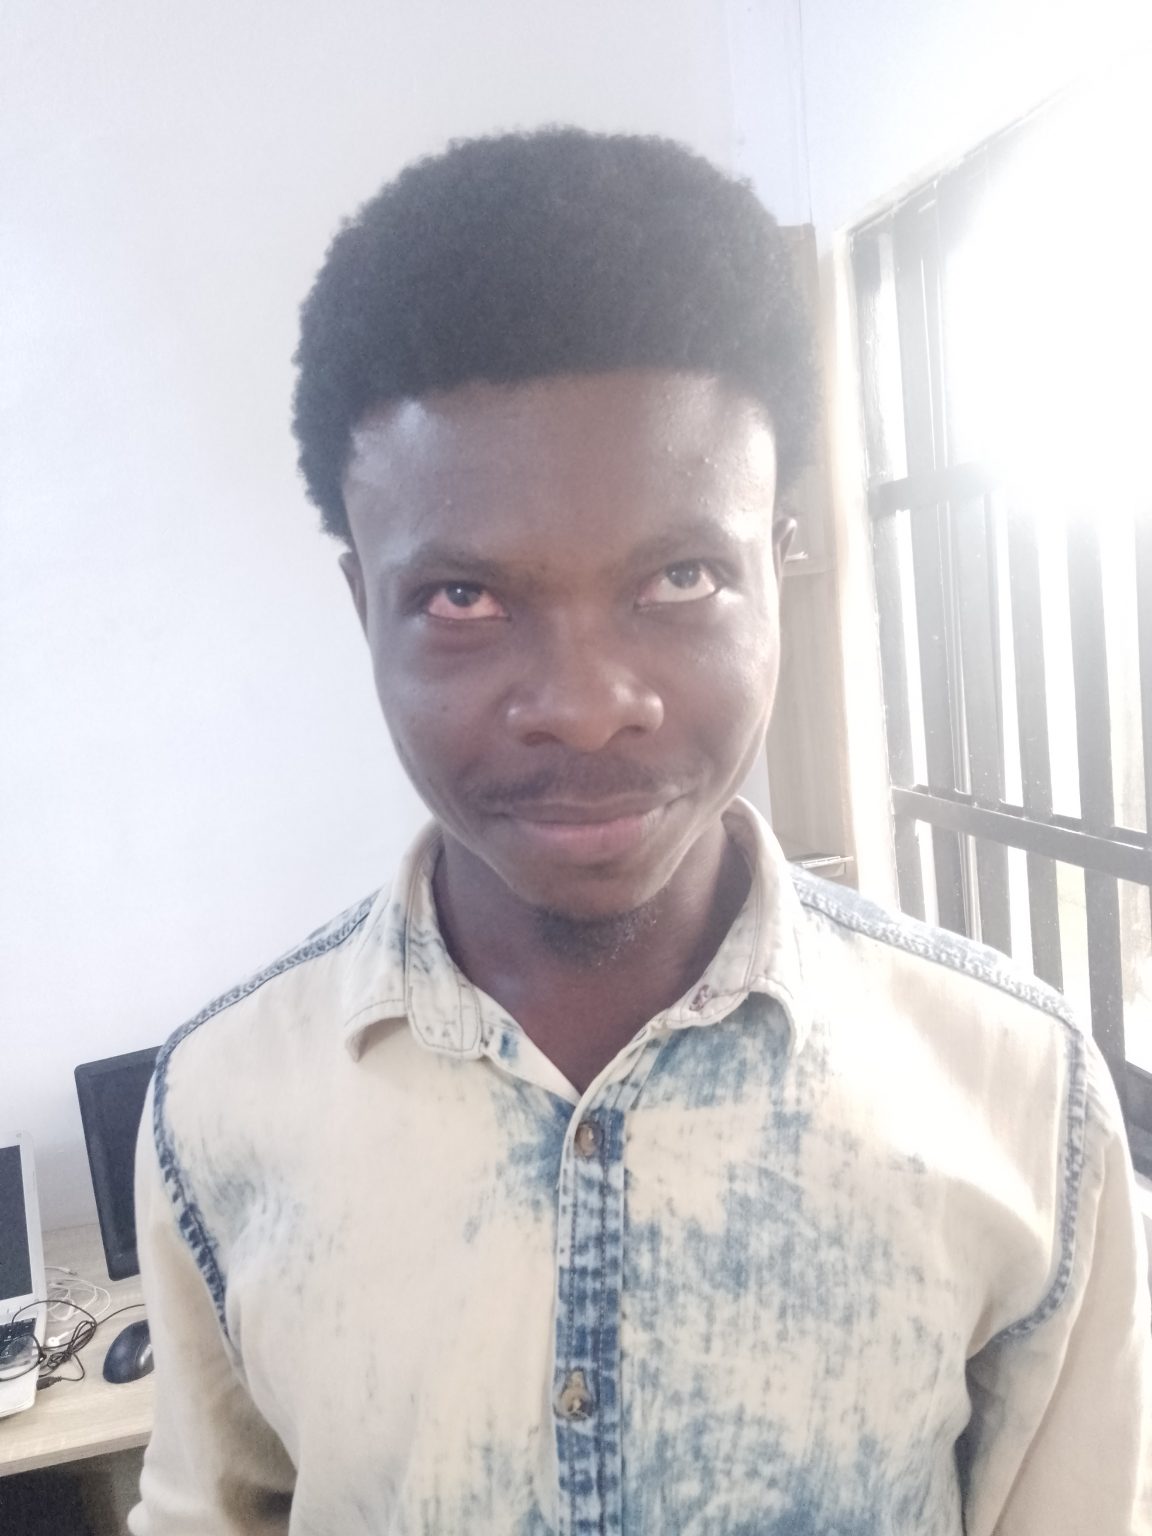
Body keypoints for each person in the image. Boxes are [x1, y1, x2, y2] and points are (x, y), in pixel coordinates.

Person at [129, 128, 1151, 1535]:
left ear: (779, 565)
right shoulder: (221, 1106)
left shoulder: (1017, 1092)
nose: (587, 705)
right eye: (466, 599)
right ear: (365, 605)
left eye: (680, 576)